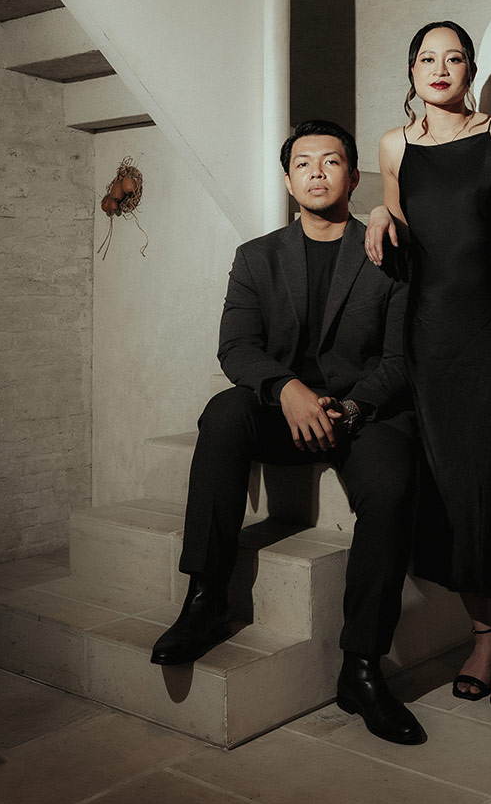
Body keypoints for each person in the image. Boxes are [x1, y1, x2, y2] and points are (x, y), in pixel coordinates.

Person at [151, 119, 425, 746]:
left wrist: (350, 409)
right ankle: (205, 599)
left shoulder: (387, 255)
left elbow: (399, 361)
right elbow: (236, 347)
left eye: (331, 161)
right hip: (283, 411)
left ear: (353, 177)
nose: (317, 172)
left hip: (360, 414)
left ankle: (361, 666)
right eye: (304, 163)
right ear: (287, 180)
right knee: (224, 413)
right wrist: (287, 389)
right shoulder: (256, 257)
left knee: (392, 483)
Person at [364, 22, 491, 714]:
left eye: (454, 57)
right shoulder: (394, 147)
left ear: (470, 70)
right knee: (453, 494)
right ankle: (479, 635)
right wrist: (375, 210)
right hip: (432, 342)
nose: (440, 68)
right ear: (411, 72)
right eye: (427, 58)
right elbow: (402, 230)